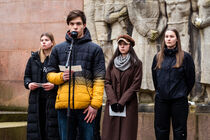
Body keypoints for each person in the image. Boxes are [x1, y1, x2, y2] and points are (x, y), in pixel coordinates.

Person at [47, 10, 105, 140]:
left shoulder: (95, 49)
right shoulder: (58, 49)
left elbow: (100, 79)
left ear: (84, 25)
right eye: (72, 23)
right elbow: (49, 74)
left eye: (78, 23)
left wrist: (94, 105)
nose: (75, 27)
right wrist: (61, 77)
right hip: (64, 106)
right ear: (68, 25)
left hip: (86, 108)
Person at [151, 29, 195, 140]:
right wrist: (161, 91)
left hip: (179, 100)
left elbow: (191, 79)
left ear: (177, 39)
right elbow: (155, 79)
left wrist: (182, 92)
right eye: (166, 37)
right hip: (161, 100)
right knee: (161, 130)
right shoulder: (157, 57)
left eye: (171, 36)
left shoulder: (185, 57)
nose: (169, 39)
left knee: (179, 131)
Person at [102, 34, 142, 140]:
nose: (122, 46)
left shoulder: (136, 64)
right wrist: (114, 101)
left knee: (126, 134)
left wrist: (122, 102)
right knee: (110, 133)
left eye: (125, 44)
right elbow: (107, 82)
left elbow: (135, 85)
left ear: (130, 46)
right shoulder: (112, 63)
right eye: (120, 44)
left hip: (128, 104)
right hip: (112, 104)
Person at [24, 32, 60, 140]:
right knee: (36, 128)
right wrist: (29, 84)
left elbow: (63, 79)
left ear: (52, 42)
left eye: (46, 40)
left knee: (50, 129)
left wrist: (54, 86)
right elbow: (27, 76)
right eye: (42, 40)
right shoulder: (33, 58)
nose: (43, 42)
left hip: (52, 99)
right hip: (36, 99)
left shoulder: (57, 58)